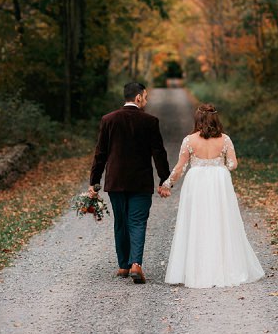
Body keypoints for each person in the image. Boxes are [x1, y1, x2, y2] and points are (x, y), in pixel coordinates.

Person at [163, 104, 265, 288]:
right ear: (216, 119)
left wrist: (167, 184)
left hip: (197, 181)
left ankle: (197, 270)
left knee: (197, 222)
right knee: (221, 221)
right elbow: (233, 164)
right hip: (219, 181)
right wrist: (220, 165)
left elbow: (180, 168)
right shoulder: (225, 140)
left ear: (197, 120)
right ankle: (224, 267)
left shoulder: (189, 140)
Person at [88, 82, 171, 284]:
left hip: (116, 181)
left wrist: (94, 182)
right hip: (140, 181)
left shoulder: (108, 120)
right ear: (138, 97)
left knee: (121, 222)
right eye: (146, 96)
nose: (146, 100)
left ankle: (124, 266)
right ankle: (136, 264)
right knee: (137, 222)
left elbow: (101, 153)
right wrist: (164, 179)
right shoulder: (150, 121)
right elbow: (158, 152)